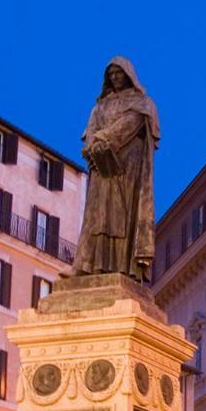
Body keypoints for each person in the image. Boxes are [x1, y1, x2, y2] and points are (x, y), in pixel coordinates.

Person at [71, 57, 159, 282]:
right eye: (111, 74)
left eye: (118, 73)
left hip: (127, 166)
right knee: (97, 215)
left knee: (121, 215)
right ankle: (90, 265)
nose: (115, 77)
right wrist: (91, 146)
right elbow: (90, 130)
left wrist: (104, 138)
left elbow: (130, 124)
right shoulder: (100, 105)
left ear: (128, 75)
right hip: (102, 166)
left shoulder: (142, 102)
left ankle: (120, 266)